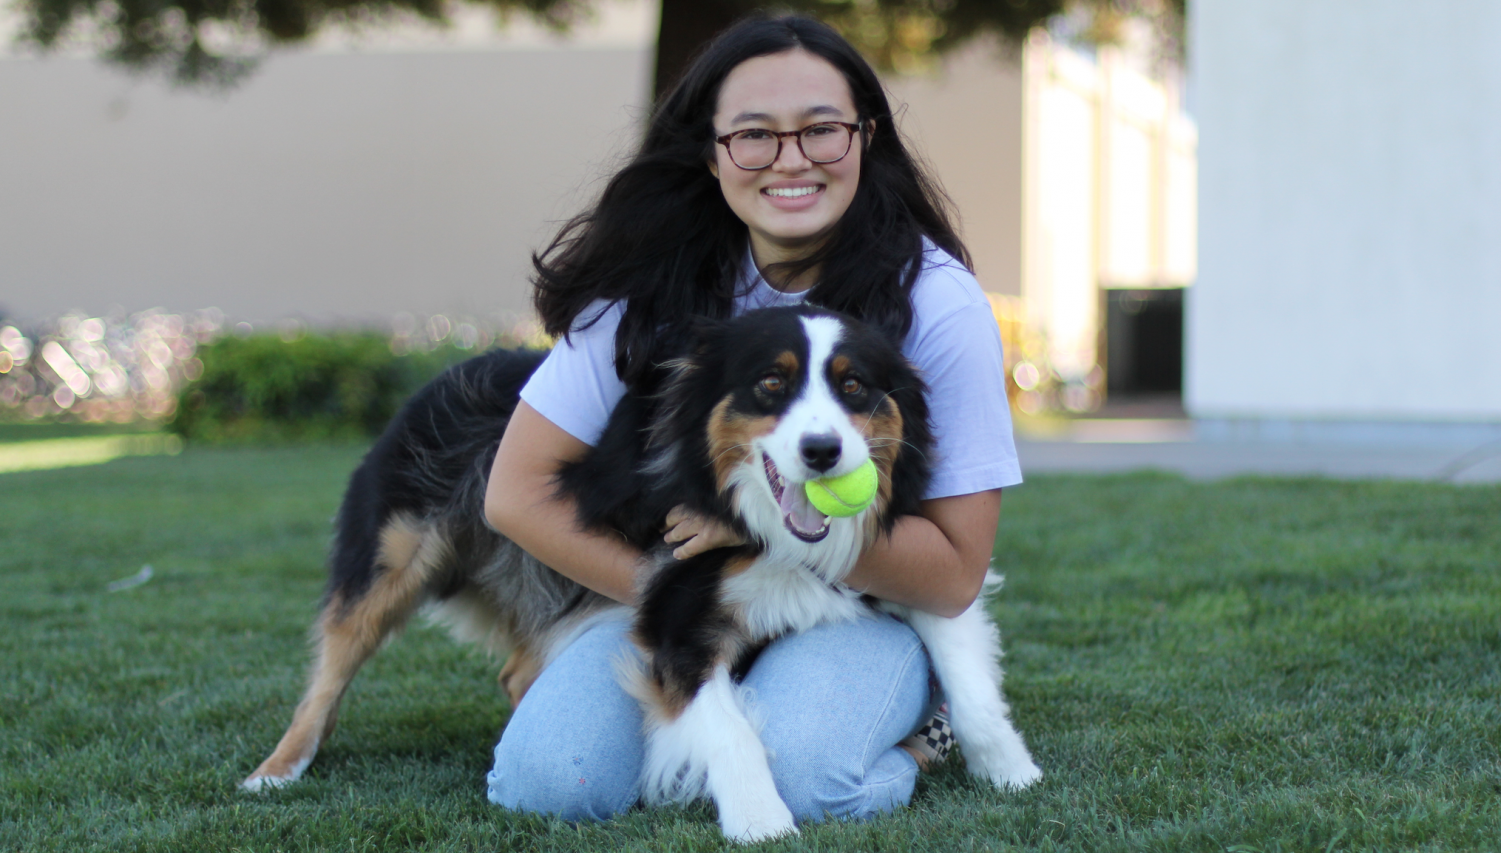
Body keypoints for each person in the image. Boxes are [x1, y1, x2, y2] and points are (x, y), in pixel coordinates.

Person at [482, 12, 1022, 825]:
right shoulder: (643, 282)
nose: (790, 159)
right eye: (754, 135)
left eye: (821, 130)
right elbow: (514, 494)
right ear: (711, 150)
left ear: (865, 138)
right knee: (556, 783)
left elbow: (953, 574)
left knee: (812, 782)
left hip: (863, 605)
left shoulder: (935, 300)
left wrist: (763, 538)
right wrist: (694, 599)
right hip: (689, 596)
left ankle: (923, 729)